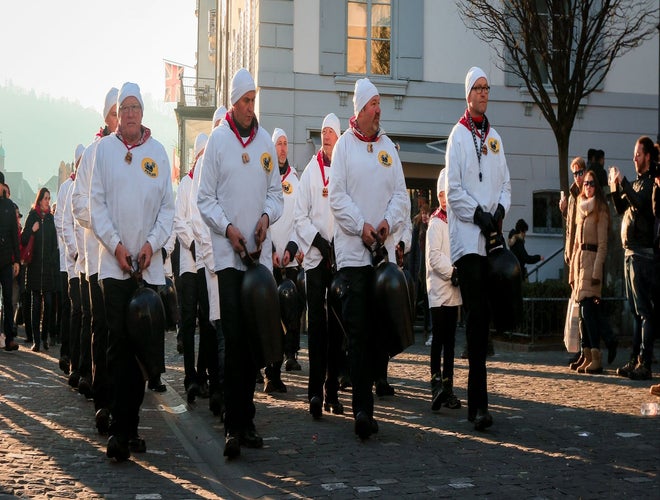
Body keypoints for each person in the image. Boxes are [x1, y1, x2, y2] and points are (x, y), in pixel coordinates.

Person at [197, 68, 282, 458]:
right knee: (232, 340)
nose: (251, 106)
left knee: (251, 342)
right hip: (229, 259)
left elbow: (276, 194)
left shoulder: (265, 142)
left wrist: (266, 218)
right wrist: (229, 229)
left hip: (257, 260)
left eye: (254, 100)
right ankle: (231, 425)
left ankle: (247, 420)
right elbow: (205, 198)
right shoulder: (217, 142)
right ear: (233, 102)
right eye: (245, 101)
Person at [90, 82, 174, 461]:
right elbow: (96, 205)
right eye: (124, 108)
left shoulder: (157, 154)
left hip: (148, 268)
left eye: (135, 107)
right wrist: (118, 247)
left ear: (143, 112)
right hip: (114, 267)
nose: (129, 114)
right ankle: (121, 432)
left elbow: (167, 211)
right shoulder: (104, 152)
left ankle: (131, 424)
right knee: (120, 347)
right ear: (117, 115)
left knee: (141, 353)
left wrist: (148, 246)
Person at [329, 78, 408, 439]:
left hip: (382, 255)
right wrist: (361, 226)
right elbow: (337, 197)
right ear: (359, 110)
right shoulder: (344, 147)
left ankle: (370, 402)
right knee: (358, 333)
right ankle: (361, 409)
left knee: (376, 334)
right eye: (373, 104)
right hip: (353, 259)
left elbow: (401, 197)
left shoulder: (389, 147)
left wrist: (386, 224)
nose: (379, 109)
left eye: (380, 103)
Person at [446, 67, 511, 431]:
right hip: (469, 241)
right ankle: (478, 404)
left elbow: (506, 183)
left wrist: (499, 210)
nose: (484, 93)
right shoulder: (457, 136)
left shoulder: (495, 138)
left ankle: (478, 404)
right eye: (479, 88)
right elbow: (454, 189)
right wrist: (478, 215)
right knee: (475, 319)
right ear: (468, 94)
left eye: (487, 88)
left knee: (483, 320)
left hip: (490, 240)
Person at [71, 86, 119, 434]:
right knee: (100, 328)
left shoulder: (128, 153)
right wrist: (103, 224)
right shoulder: (92, 153)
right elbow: (79, 206)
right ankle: (102, 398)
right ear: (107, 117)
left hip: (124, 260)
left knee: (123, 330)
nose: (123, 119)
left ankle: (122, 394)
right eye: (118, 113)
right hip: (96, 260)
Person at [294, 112, 345, 419]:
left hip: (339, 260)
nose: (327, 136)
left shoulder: (344, 170)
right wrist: (317, 241)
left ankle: (333, 392)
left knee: (337, 328)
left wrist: (338, 243)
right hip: (315, 259)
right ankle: (314, 393)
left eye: (331, 132)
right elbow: (300, 216)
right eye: (323, 132)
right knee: (316, 329)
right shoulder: (311, 172)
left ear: (338, 138)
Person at [610, 136, 657, 381]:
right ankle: (634, 360)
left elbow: (640, 204)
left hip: (642, 255)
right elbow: (621, 209)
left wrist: (624, 182)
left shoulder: (650, 185)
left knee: (644, 311)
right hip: (630, 254)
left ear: (648, 157)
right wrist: (614, 187)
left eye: (638, 154)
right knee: (635, 312)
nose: (634, 158)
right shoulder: (637, 184)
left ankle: (645, 362)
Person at [174, 132, 216, 404]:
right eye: (199, 155)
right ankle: (189, 375)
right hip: (189, 264)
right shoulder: (186, 185)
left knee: (208, 320)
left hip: (206, 262)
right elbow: (180, 221)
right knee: (189, 321)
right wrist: (192, 245)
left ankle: (203, 373)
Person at [264, 127, 301, 394]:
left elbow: (299, 218)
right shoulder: (265, 178)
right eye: (278, 143)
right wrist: (272, 250)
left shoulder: (295, 180)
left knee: (292, 312)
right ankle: (270, 370)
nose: (282, 148)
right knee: (270, 317)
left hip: (289, 259)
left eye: (285, 143)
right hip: (269, 259)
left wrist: (290, 248)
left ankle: (290, 355)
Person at [568, 170, 612, 374]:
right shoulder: (580, 209)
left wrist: (596, 272)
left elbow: (603, 245)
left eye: (592, 184)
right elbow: (577, 244)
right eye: (585, 183)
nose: (588, 187)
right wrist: (572, 274)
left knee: (589, 312)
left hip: (592, 263)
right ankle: (586, 355)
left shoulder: (601, 210)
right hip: (580, 264)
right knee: (584, 315)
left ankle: (596, 356)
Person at [426, 168, 462, 411]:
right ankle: (435, 384)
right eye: (440, 194)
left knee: (450, 342)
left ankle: (448, 387)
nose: (443, 198)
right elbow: (434, 257)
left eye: (446, 193)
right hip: (439, 289)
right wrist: (453, 272)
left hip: (454, 292)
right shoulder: (435, 223)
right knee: (438, 340)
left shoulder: (456, 222)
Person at [22, 188, 59, 353]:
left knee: (49, 304)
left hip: (48, 268)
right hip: (35, 267)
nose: (47, 201)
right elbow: (23, 239)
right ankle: (36, 341)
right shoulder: (32, 216)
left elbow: (54, 243)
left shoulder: (51, 219)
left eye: (49, 199)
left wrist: (51, 260)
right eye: (45, 198)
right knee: (36, 304)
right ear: (39, 200)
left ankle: (45, 337)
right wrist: (32, 230)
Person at [0, 174, 20, 351]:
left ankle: (9, 338)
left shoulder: (8, 205)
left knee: (8, 300)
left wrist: (17, 260)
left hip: (6, 260)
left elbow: (15, 234)